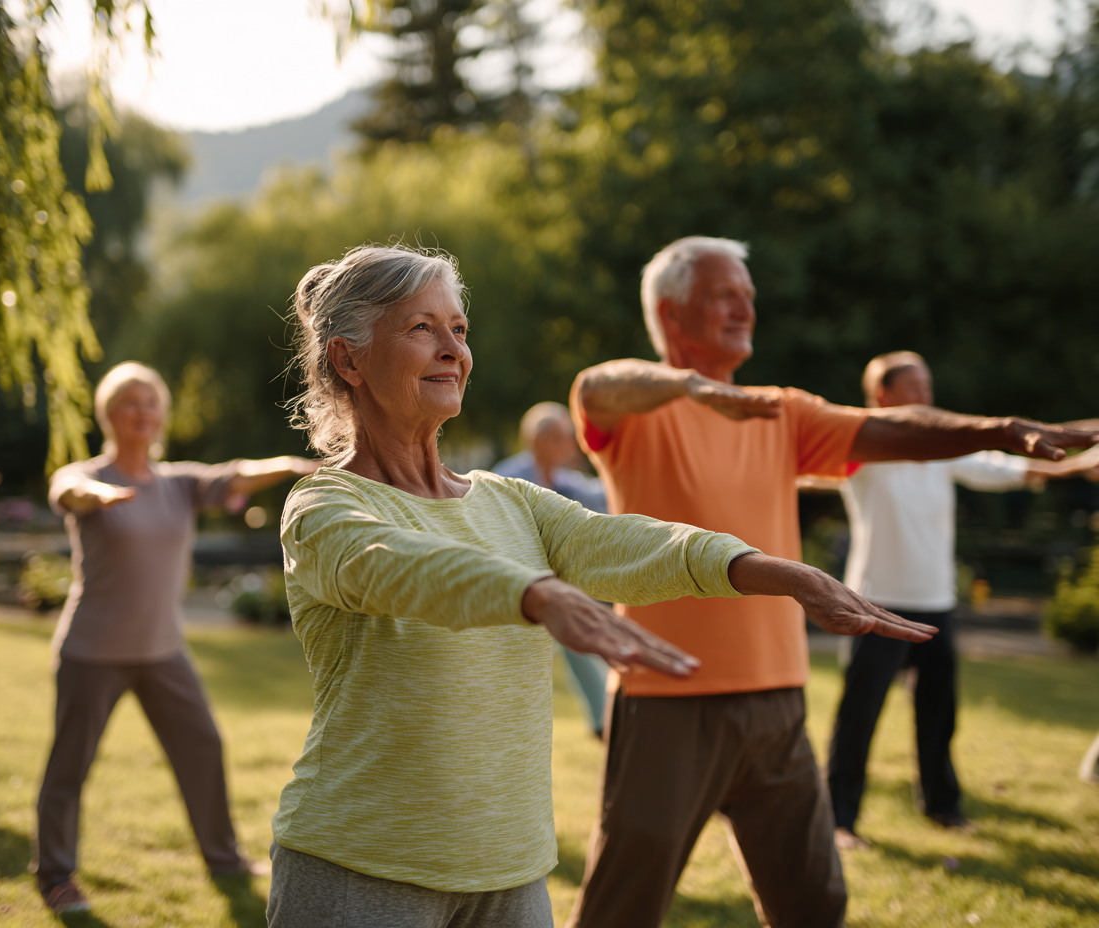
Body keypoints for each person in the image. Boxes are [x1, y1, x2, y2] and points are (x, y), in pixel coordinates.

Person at [266, 243, 936, 928]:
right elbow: (398, 566)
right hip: (359, 869)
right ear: (348, 359)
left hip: (512, 875)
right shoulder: (325, 506)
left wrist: (772, 571)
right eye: (421, 328)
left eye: (459, 329)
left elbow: (627, 542)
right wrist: (538, 593)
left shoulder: (511, 502)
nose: (452, 349)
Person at [565, 236, 1099, 928]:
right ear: (671, 315)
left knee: (814, 906)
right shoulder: (632, 412)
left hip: (777, 704)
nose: (745, 308)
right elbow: (598, 386)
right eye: (727, 294)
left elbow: (892, 428)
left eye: (749, 296)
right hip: (666, 695)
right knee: (620, 911)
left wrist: (997, 431)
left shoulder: (781, 410)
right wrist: (690, 386)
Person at [35, 361, 317, 915]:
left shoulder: (178, 485)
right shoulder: (85, 475)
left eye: (150, 402)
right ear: (108, 415)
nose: (142, 411)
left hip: (163, 650)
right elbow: (66, 490)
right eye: (129, 402)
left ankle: (223, 858)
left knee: (203, 747)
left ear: (161, 415)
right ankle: (55, 874)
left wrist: (286, 465)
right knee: (70, 765)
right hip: (92, 651)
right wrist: (95, 494)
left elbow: (234, 474)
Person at [827, 351, 1099, 848]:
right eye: (915, 388)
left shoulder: (945, 451)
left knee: (938, 713)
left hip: (935, 601)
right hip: (874, 603)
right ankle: (839, 821)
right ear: (882, 396)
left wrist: (1078, 462)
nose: (927, 398)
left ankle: (942, 807)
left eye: (929, 386)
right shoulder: (861, 447)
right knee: (859, 716)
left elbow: (1007, 469)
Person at [494, 402, 610, 735]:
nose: (570, 445)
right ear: (538, 441)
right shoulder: (504, 479)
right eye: (562, 438)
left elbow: (603, 498)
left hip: (552, 586)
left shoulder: (567, 482)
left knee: (580, 635)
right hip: (512, 590)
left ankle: (603, 721)